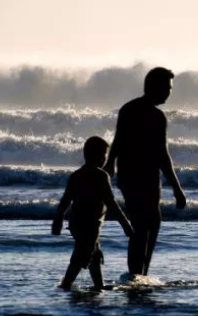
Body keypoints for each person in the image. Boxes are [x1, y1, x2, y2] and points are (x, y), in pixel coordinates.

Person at [105, 67, 187, 277]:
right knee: (145, 226)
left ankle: (139, 274)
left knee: (146, 224)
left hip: (130, 176)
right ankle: (138, 275)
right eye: (167, 88)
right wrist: (177, 189)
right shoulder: (156, 116)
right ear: (155, 86)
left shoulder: (128, 109)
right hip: (143, 177)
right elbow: (163, 155)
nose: (169, 92)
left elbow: (117, 141)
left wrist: (111, 164)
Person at [52, 136, 134, 290]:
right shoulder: (101, 176)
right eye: (104, 155)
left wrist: (58, 220)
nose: (105, 159)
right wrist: (125, 224)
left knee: (94, 255)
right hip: (91, 224)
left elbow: (65, 201)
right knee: (82, 255)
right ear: (95, 156)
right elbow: (111, 203)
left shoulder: (76, 175)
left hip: (76, 223)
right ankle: (66, 284)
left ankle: (98, 285)